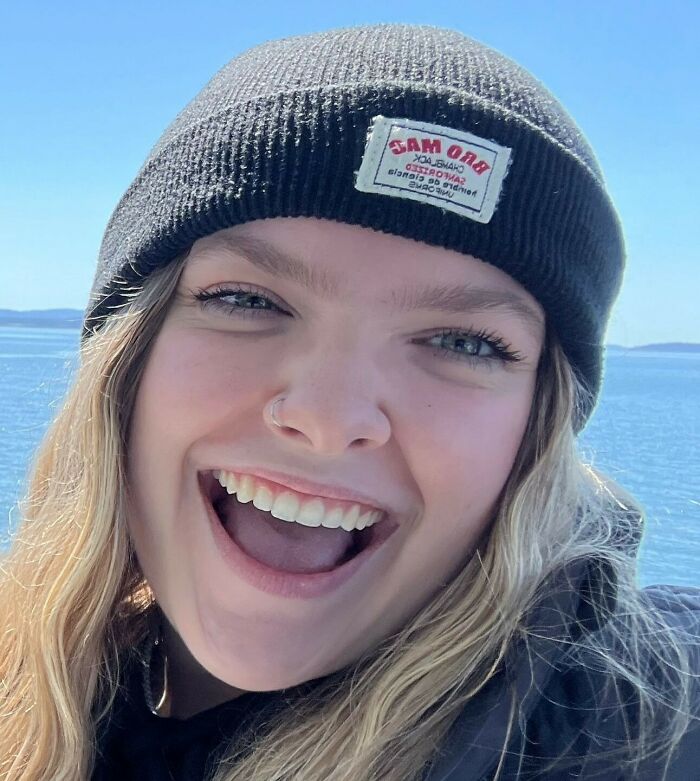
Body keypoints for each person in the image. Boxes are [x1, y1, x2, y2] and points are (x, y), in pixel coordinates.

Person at [0, 23, 698, 781]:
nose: (329, 418)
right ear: (126, 359)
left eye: (464, 342)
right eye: (245, 297)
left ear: (536, 430)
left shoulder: (633, 729)